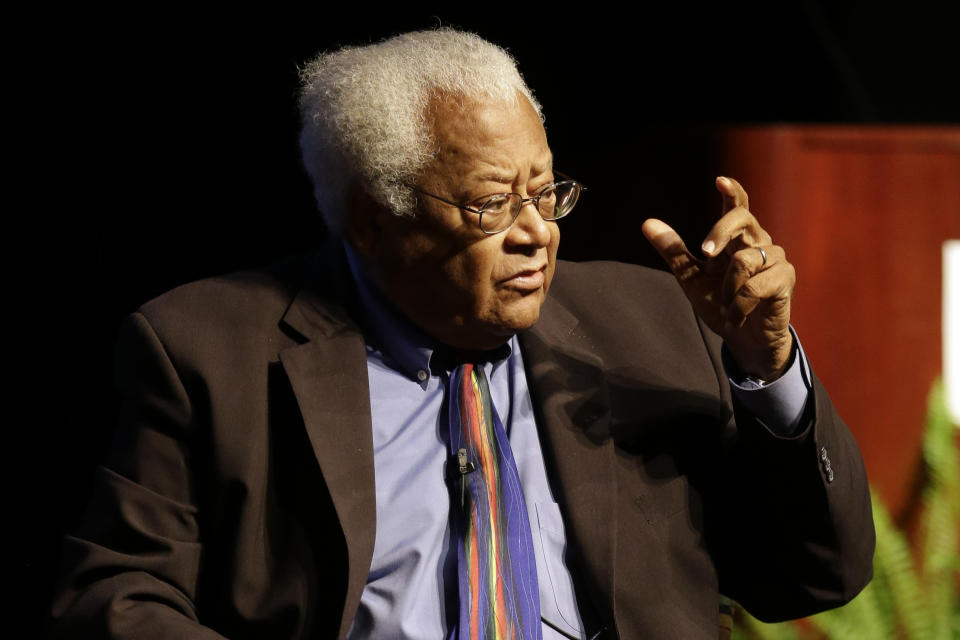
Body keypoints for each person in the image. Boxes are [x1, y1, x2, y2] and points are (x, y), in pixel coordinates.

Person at [50, 29, 874, 640]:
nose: (536, 233)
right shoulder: (207, 351)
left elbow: (813, 574)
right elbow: (114, 594)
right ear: (374, 220)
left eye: (547, 193)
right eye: (490, 206)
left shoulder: (653, 322)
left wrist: (766, 370)